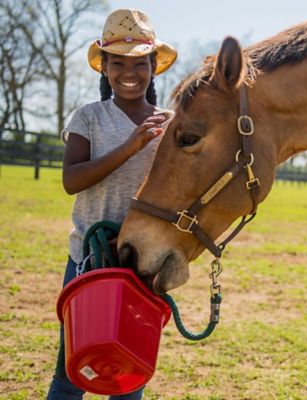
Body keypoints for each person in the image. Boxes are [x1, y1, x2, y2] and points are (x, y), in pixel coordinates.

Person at [47, 8, 177, 400]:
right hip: (89, 260)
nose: (129, 73)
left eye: (139, 63)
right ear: (104, 68)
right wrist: (130, 146)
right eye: (118, 63)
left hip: (141, 263)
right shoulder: (88, 118)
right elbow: (72, 180)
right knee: (72, 373)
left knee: (128, 375)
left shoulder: (168, 124)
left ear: (154, 66)